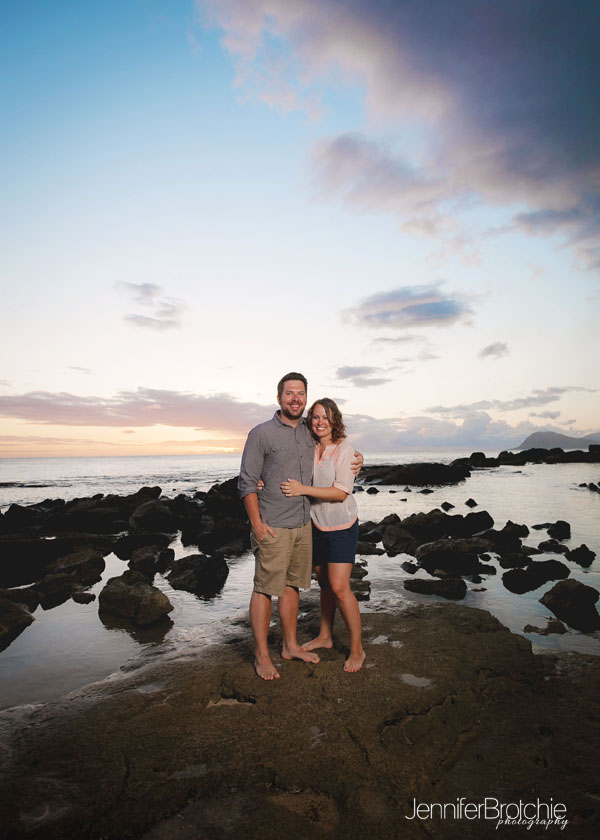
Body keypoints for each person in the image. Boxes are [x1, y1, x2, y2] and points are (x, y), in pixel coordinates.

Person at [239, 373, 363, 680]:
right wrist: (256, 522)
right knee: (265, 588)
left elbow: (338, 449)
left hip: (305, 524)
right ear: (279, 396)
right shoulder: (261, 433)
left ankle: (290, 645)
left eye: (301, 393)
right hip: (274, 524)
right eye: (289, 393)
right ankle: (261, 654)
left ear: (305, 398)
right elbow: (246, 482)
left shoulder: (309, 433)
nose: (295, 398)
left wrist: (359, 460)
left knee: (293, 586)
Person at [280, 398, 365, 673]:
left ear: (335, 420)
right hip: (315, 526)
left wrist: (303, 489)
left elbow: (341, 492)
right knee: (325, 585)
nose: (320, 422)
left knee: (340, 587)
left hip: (341, 526)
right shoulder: (309, 445)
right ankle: (326, 636)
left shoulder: (345, 450)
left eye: (325, 417)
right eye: (315, 417)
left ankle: (358, 649)